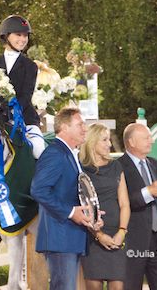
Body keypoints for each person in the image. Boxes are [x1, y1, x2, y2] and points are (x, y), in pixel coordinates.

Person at [31, 107, 101, 289]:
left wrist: (92, 215)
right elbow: (38, 190)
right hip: (60, 238)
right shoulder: (55, 153)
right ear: (64, 127)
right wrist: (71, 213)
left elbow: (75, 194)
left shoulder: (69, 154)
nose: (85, 129)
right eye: (80, 124)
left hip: (70, 237)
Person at [118, 123, 157, 290]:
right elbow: (121, 201)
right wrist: (149, 191)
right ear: (131, 142)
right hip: (133, 241)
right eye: (146, 138)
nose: (151, 141)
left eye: (150, 137)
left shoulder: (154, 164)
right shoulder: (118, 166)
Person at [80, 123, 131, 290]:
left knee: (117, 286)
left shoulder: (116, 166)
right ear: (92, 142)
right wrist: (98, 235)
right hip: (91, 237)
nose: (109, 144)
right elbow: (82, 205)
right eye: (104, 140)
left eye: (109, 139)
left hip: (116, 235)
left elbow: (124, 203)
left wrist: (122, 231)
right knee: (93, 286)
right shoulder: (81, 170)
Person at [0, 14, 45, 158]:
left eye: (25, 35)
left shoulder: (30, 66)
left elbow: (26, 96)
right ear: (6, 36)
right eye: (18, 35)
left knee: (38, 150)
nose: (23, 39)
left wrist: (10, 110)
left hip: (25, 119)